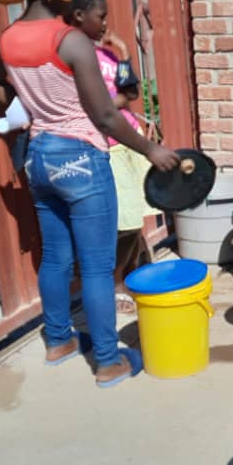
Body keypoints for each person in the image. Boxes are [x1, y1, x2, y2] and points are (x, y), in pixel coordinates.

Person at [0, 0, 180, 387]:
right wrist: (150, 149)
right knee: (98, 267)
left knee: (55, 258)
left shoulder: (9, 39)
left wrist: (22, 106)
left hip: (40, 158)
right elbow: (104, 115)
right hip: (82, 158)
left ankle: (58, 341)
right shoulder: (69, 41)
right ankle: (107, 361)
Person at [87, 26, 158, 315]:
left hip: (129, 137)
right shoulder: (77, 58)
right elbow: (101, 106)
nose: (105, 24)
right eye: (99, 17)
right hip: (109, 146)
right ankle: (116, 284)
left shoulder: (108, 55)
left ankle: (129, 270)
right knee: (124, 222)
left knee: (135, 214)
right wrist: (118, 99)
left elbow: (131, 92)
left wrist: (125, 53)